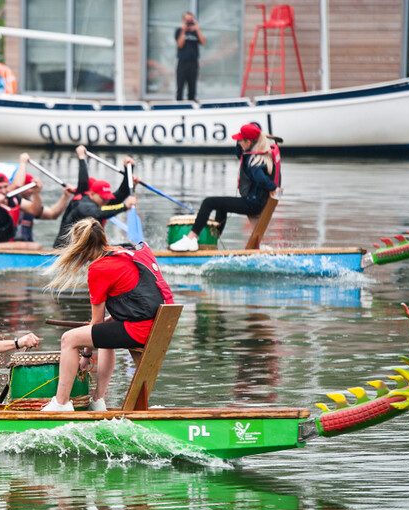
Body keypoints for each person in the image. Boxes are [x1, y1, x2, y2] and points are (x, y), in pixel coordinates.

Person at [43, 218, 174, 412]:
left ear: (81, 247)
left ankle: (61, 403)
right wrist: (108, 323)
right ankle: (98, 401)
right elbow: (139, 299)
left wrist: (86, 354)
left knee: (68, 339)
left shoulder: (99, 268)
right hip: (160, 325)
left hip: (141, 329)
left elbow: (95, 322)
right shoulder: (126, 252)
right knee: (105, 336)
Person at [169, 123, 280, 252]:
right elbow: (240, 153)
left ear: (249, 142)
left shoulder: (253, 161)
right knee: (221, 206)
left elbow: (261, 178)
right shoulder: (261, 155)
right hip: (256, 202)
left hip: (252, 204)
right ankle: (213, 241)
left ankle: (191, 238)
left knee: (208, 202)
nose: (238, 143)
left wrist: (273, 188)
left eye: (240, 141)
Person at [53, 145, 137, 248]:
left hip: (87, 250)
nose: (106, 201)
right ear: (92, 194)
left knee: (129, 247)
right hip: (66, 250)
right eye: (103, 198)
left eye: (107, 198)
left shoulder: (101, 202)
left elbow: (121, 194)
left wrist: (129, 169)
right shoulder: (82, 204)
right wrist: (124, 207)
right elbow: (97, 213)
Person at [10, 153, 72, 244]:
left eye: (33, 188)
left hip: (27, 246)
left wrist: (65, 196)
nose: (31, 191)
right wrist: (23, 163)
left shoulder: (31, 205)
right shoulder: (11, 201)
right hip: (10, 246)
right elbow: (17, 185)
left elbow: (52, 214)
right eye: (28, 188)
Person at [174, 12, 206, 101]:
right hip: (182, 63)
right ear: (183, 21)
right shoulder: (179, 31)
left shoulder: (196, 33)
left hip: (193, 63)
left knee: (192, 88)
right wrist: (184, 30)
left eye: (190, 20)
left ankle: (191, 106)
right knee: (180, 88)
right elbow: (180, 44)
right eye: (187, 20)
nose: (189, 22)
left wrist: (197, 28)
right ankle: (178, 108)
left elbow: (203, 42)